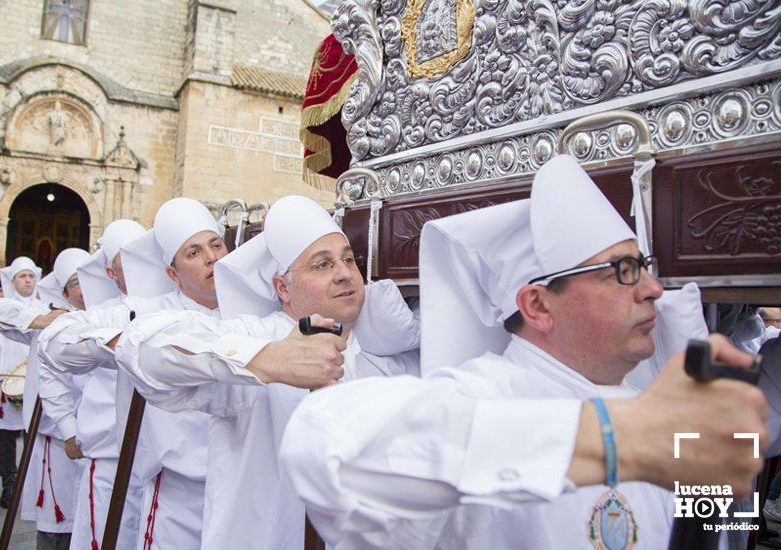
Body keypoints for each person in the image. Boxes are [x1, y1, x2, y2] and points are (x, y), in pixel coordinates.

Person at [278, 156, 770, 549]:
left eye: (642, 267)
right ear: (537, 304)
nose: (653, 290)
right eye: (621, 272)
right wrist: (618, 438)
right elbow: (324, 445)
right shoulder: (486, 395)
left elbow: (709, 529)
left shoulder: (650, 407)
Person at [113, 195, 420, 549]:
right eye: (321, 265)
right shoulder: (259, 336)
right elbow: (142, 348)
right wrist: (272, 360)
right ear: (282, 288)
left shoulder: (388, 353)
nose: (343, 274)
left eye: (348, 260)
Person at [41, 198, 228, 548]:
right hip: (178, 491)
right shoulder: (144, 312)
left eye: (216, 244)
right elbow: (55, 342)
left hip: (237, 489)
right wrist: (134, 345)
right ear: (171, 273)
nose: (212, 258)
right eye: (194, 252)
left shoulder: (252, 308)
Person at [36, 219, 147, 550]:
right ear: (111, 275)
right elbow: (51, 353)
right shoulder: (103, 314)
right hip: (110, 457)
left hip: (160, 470)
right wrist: (68, 428)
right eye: (124, 261)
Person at [0, 248, 90, 550]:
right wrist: (41, 320)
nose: (84, 288)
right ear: (64, 291)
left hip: (99, 443)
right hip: (57, 442)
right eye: (76, 283)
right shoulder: (47, 322)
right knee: (55, 531)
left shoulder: (106, 317)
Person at [0, 256, 43, 508]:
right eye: (22, 276)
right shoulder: (1, 307)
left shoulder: (43, 308)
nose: (27, 280)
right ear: (12, 280)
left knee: (32, 433)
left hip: (32, 382)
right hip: (5, 381)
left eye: (31, 276)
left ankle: (28, 483)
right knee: (4, 437)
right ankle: (9, 482)